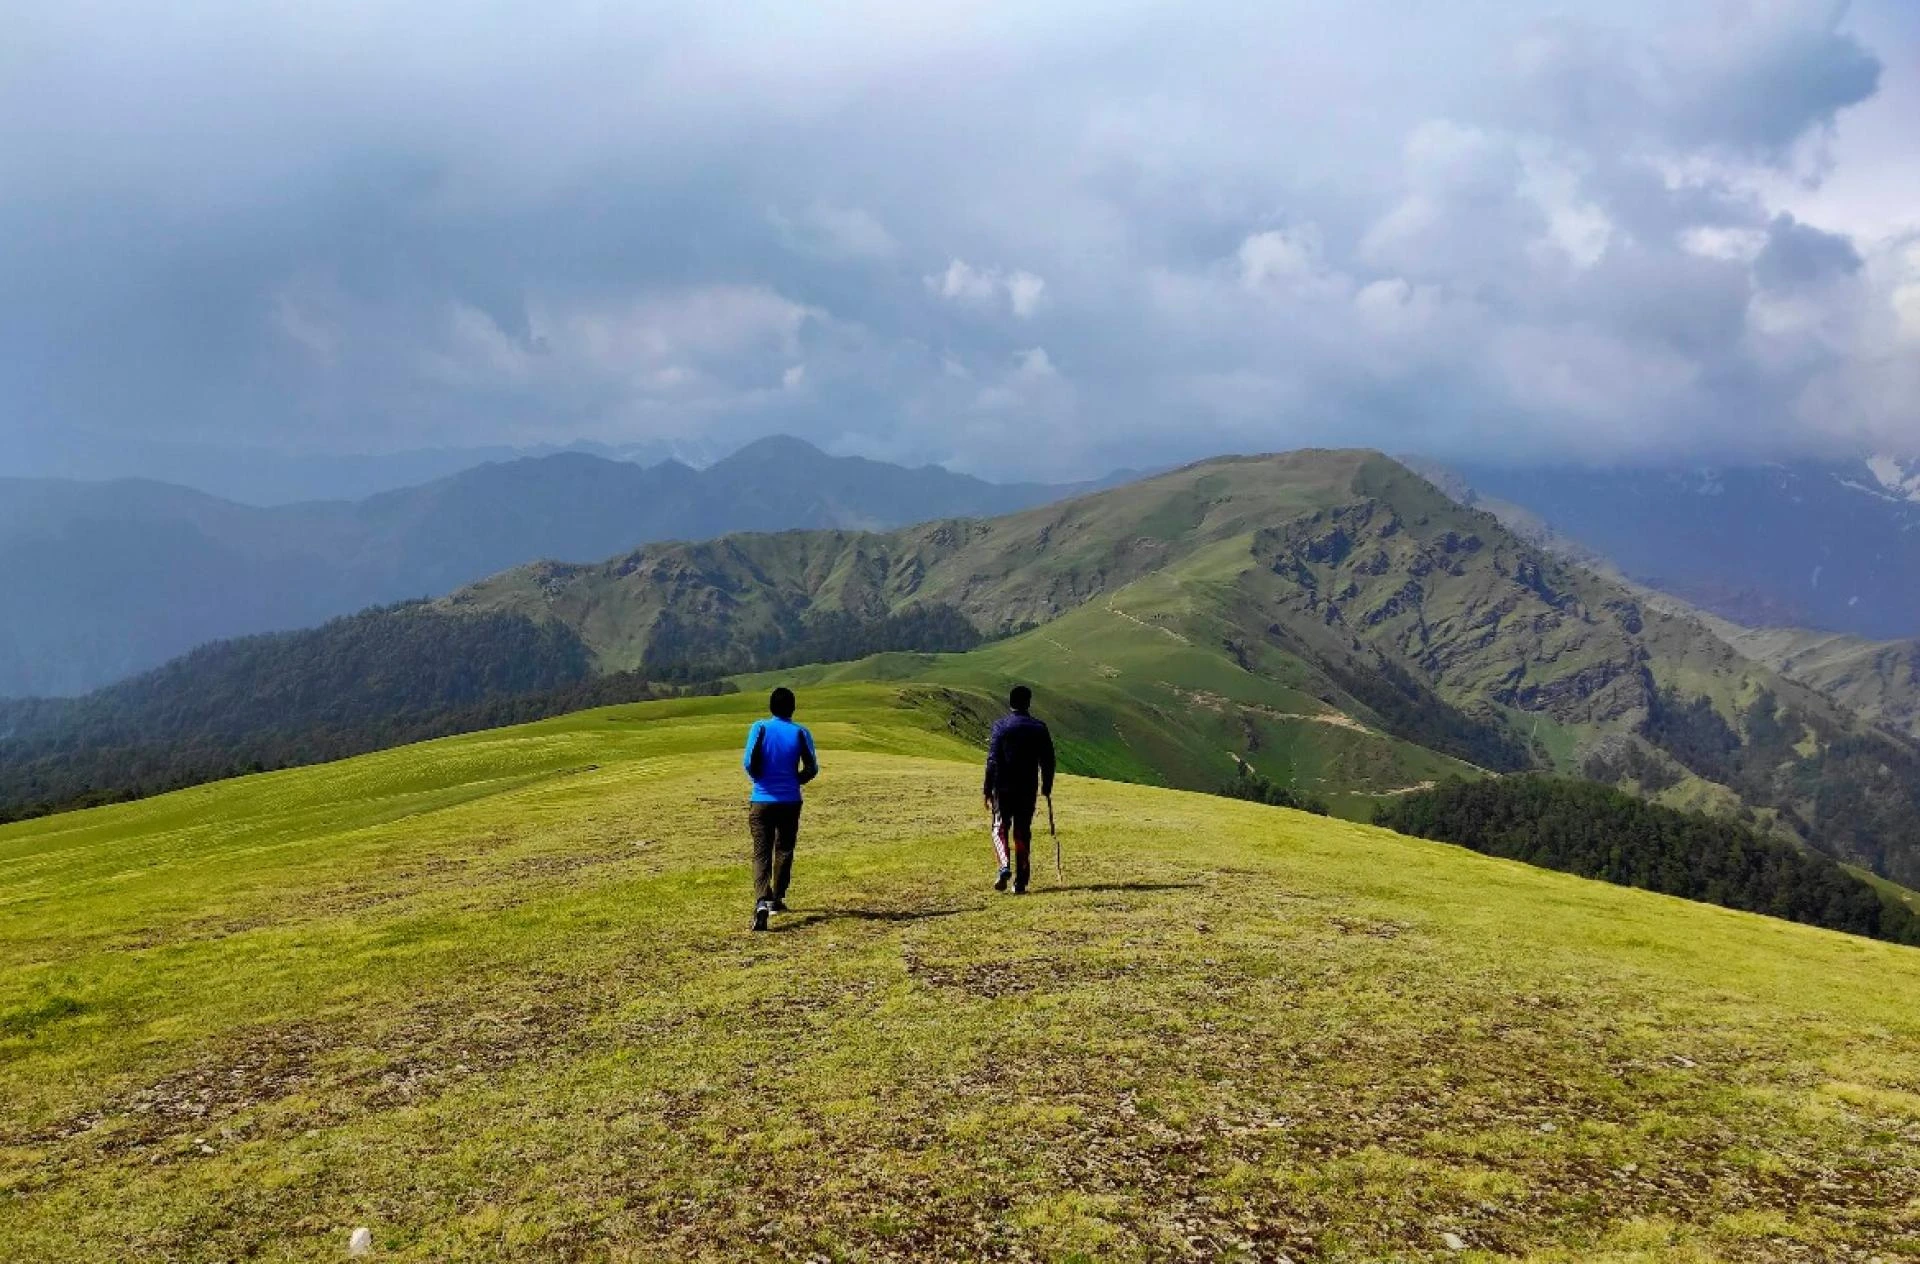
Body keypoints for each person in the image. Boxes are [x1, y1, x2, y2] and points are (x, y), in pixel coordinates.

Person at [743, 686, 819, 931]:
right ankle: (777, 898)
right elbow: (812, 767)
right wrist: (795, 780)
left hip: (762, 798)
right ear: (792, 708)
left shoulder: (760, 728)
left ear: (771, 707)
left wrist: (760, 780)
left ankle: (761, 900)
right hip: (790, 800)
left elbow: (749, 762)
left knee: (761, 852)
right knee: (784, 849)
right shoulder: (800, 732)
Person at [983, 684, 1056, 894]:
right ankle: (1021, 882)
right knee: (1022, 832)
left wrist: (987, 788)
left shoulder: (1000, 727)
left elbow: (993, 760)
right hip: (1027, 787)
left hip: (1002, 787)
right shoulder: (1039, 728)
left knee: (999, 828)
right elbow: (1048, 760)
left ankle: (1004, 866)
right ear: (1028, 702)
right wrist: (1047, 786)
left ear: (1010, 702)